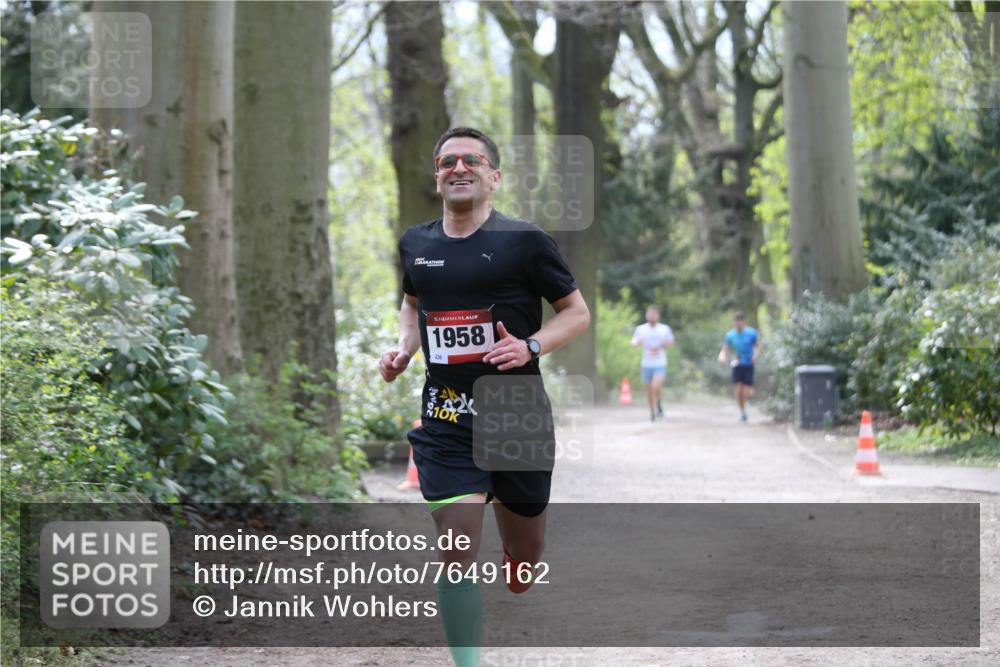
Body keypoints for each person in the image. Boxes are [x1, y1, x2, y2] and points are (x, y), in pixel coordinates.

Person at [379, 127, 590, 667]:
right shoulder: (416, 244)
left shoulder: (525, 241)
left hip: (515, 414)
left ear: (494, 177)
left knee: (525, 562)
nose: (459, 167)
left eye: (471, 160)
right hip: (446, 414)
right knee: (456, 548)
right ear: (437, 177)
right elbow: (412, 304)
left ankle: (517, 553)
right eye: (447, 161)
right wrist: (404, 348)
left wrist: (530, 346)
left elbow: (576, 313)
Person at [630, 305, 674, 421]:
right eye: (649, 314)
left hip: (660, 363)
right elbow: (633, 343)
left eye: (653, 314)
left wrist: (662, 345)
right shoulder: (641, 329)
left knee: (656, 386)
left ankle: (658, 403)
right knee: (649, 390)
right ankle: (652, 412)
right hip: (646, 364)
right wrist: (638, 342)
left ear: (658, 316)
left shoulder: (664, 329)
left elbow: (671, 342)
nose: (651, 316)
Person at [718, 311, 760, 422]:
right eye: (737, 322)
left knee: (746, 393)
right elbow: (725, 349)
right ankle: (743, 412)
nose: (738, 323)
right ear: (734, 322)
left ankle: (749, 395)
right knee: (738, 391)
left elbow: (758, 347)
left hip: (748, 365)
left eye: (740, 321)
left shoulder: (751, 333)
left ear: (743, 322)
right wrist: (722, 357)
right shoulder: (730, 335)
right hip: (737, 364)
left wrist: (755, 356)